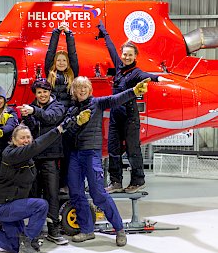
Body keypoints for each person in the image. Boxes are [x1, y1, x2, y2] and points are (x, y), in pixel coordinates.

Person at [0, 112, 91, 253]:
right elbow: (37, 146)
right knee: (41, 205)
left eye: (28, 137)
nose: (25, 140)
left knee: (14, 246)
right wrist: (60, 129)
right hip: (0, 206)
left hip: (14, 206)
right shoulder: (11, 154)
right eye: (22, 138)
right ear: (14, 140)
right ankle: (26, 240)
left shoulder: (29, 158)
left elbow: (35, 150)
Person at [64, 76, 148, 246]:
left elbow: (116, 99)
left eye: (85, 87)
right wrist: (76, 120)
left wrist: (133, 91)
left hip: (91, 153)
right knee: (76, 192)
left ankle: (119, 230)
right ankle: (87, 230)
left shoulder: (97, 103)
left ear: (90, 90)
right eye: (78, 87)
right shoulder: (71, 108)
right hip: (74, 154)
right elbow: (67, 129)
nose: (82, 90)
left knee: (98, 193)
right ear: (74, 91)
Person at [97, 21, 173, 194]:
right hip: (116, 116)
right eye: (125, 54)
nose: (126, 57)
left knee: (133, 150)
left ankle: (138, 181)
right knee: (113, 149)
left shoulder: (136, 72)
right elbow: (110, 48)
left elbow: (150, 76)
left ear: (135, 56)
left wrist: (162, 80)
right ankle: (116, 182)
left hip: (130, 117)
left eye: (130, 55)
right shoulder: (118, 67)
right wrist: (104, 32)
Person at [18, 78, 68, 245]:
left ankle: (53, 230)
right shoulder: (32, 107)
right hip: (33, 157)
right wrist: (27, 117)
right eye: (39, 92)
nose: (42, 95)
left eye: (45, 91)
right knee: (33, 194)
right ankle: (34, 231)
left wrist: (33, 111)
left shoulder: (58, 106)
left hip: (51, 157)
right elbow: (31, 129)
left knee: (51, 194)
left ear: (50, 92)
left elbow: (51, 118)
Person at [45, 21, 79, 194]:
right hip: (51, 120)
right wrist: (56, 33)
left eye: (63, 60)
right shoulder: (49, 74)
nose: (60, 62)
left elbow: (73, 55)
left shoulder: (72, 75)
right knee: (51, 154)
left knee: (66, 155)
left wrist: (69, 34)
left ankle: (64, 185)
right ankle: (50, 185)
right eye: (58, 60)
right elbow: (50, 52)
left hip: (67, 121)